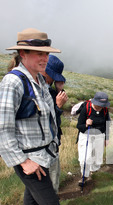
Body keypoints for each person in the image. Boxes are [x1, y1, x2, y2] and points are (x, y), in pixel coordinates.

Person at [0, 28, 88, 205]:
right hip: (31, 159)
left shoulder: (39, 82)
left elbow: (46, 119)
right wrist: (23, 161)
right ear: (22, 53)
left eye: (46, 53)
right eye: (37, 53)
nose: (43, 58)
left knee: (33, 194)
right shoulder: (13, 82)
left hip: (45, 154)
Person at [41, 55, 68, 192]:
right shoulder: (38, 90)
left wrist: (59, 90)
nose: (52, 80)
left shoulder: (48, 90)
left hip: (50, 145)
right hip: (44, 148)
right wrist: (58, 107)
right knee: (49, 187)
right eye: (52, 76)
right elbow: (46, 121)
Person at [76, 92, 111, 185]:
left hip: (100, 136)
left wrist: (107, 138)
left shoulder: (105, 110)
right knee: (85, 159)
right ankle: (84, 176)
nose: (101, 107)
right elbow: (79, 126)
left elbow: (107, 124)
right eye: (99, 105)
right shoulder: (86, 109)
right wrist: (86, 124)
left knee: (97, 158)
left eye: (103, 105)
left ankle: (92, 170)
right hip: (86, 135)